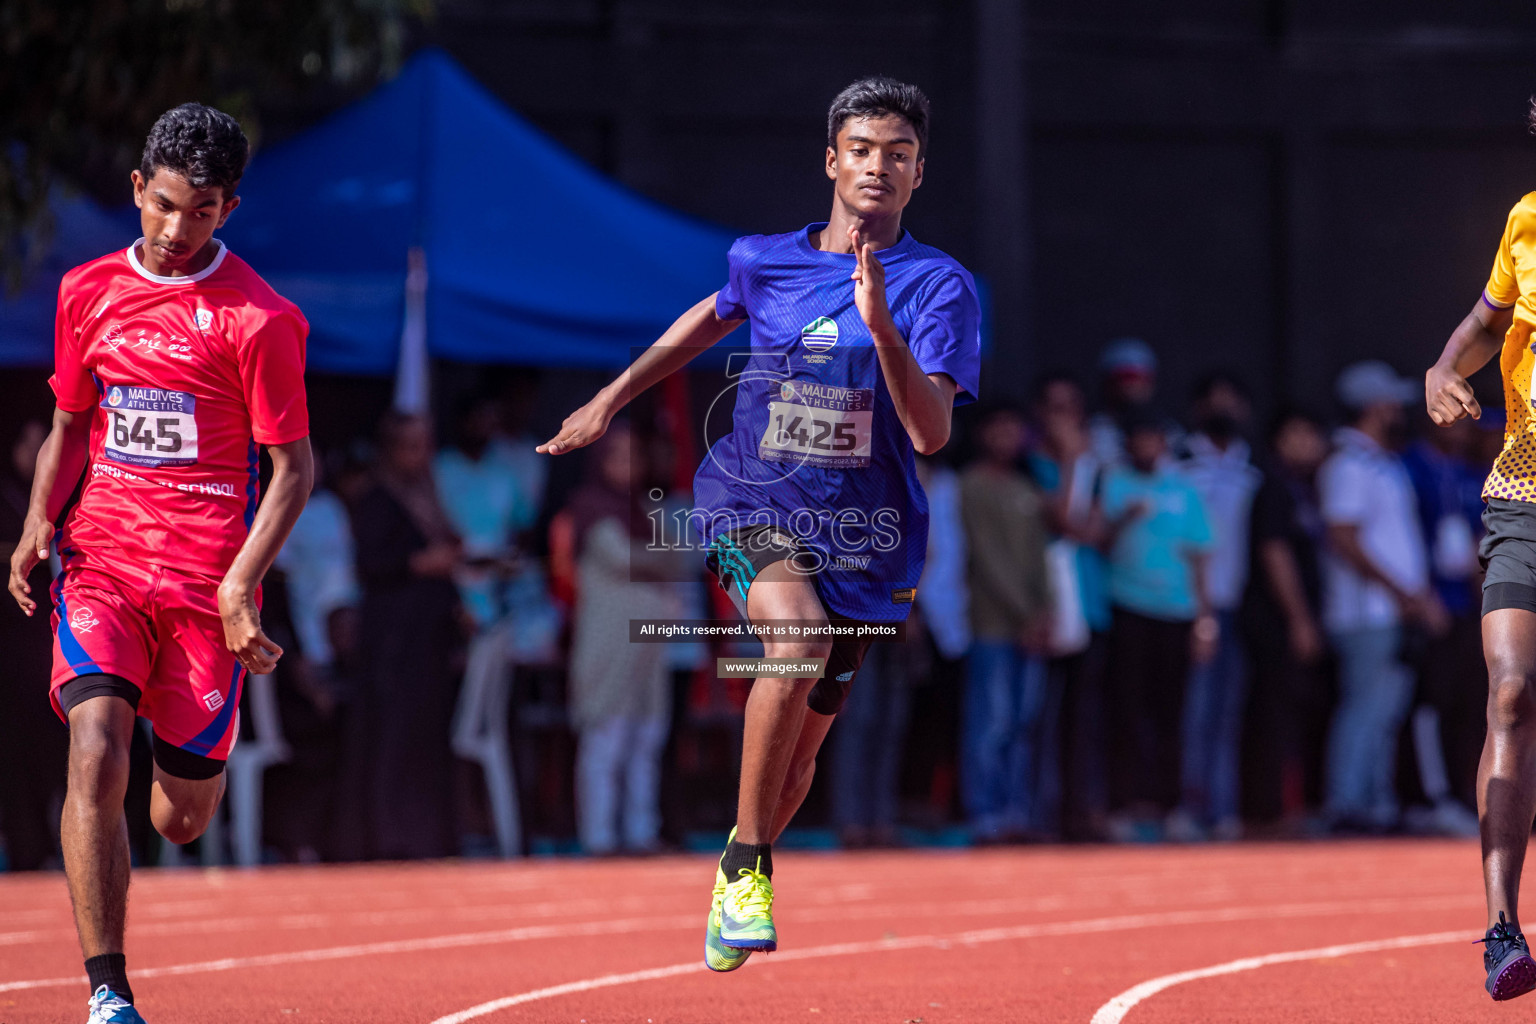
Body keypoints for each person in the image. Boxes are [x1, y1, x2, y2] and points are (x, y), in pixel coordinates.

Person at [537, 77, 980, 970]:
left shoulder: (942, 288)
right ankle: (744, 866)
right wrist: (612, 397)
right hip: (750, 501)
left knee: (796, 772)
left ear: (919, 173)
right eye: (861, 149)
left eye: (897, 154)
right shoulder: (765, 259)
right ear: (831, 160)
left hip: (868, 536)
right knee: (797, 641)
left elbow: (930, 435)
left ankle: (751, 847)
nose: (877, 167)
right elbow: (713, 313)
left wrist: (883, 330)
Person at [5, 104, 312, 1024]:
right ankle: (109, 992)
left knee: (182, 815)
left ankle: (174, 760)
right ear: (138, 189)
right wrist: (34, 524)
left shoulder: (260, 321)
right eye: (168, 205)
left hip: (203, 594)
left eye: (205, 211)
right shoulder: (85, 292)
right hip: (101, 565)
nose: (180, 231)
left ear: (231, 209)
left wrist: (237, 586)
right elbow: (68, 425)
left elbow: (295, 470)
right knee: (93, 750)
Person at [1424, 169, 1536, 1001]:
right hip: (1523, 496)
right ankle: (1502, 928)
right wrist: (1441, 368)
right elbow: (1484, 322)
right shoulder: (1527, 221)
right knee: (1511, 693)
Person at [1318, 361, 1444, 836]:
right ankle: (1347, 803)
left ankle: (1374, 803)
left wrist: (1415, 596)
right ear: (1371, 407)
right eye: (1390, 402)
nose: (1399, 410)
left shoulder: (1382, 462)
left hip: (1392, 609)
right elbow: (1343, 536)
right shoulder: (1348, 464)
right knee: (1364, 708)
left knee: (1386, 711)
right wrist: (1403, 593)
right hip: (1365, 612)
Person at [339, 412, 463, 861]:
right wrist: (421, 563)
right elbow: (373, 562)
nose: (420, 456)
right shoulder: (376, 498)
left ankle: (426, 838)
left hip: (429, 644)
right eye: (410, 446)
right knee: (390, 741)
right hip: (391, 643)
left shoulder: (429, 497)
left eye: (424, 445)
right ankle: (386, 838)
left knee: (425, 741)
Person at [565, 424, 683, 854]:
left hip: (647, 650)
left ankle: (639, 833)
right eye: (618, 455)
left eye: (635, 455)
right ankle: (599, 838)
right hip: (608, 647)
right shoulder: (591, 507)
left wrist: (660, 561)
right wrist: (659, 561)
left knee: (646, 737)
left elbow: (681, 559)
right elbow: (622, 557)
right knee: (606, 738)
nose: (628, 465)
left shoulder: (640, 510)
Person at [1100, 413, 1214, 840]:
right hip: (1128, 609)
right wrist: (1122, 518)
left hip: (1178, 615)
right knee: (1124, 714)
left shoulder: (1184, 490)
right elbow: (1098, 542)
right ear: (1130, 445)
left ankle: (1172, 809)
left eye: (1155, 439)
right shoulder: (1113, 483)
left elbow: (1201, 556)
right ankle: (1122, 809)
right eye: (1141, 440)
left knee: (1172, 716)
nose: (1149, 447)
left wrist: (1206, 620)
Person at [958, 403, 1052, 841]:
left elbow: (1040, 557)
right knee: (991, 723)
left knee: (1022, 725)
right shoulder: (971, 486)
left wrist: (1044, 611)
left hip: (1030, 629)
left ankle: (1018, 812)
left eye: (1014, 430)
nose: (1006, 439)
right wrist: (1025, 612)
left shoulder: (1025, 487)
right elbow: (986, 558)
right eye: (998, 430)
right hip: (991, 625)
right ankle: (986, 812)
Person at [1174, 374, 1261, 841]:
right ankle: (1191, 808)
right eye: (1215, 400)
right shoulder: (1181, 464)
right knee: (1196, 712)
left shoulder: (1253, 469)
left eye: (1233, 400)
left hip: (1239, 605)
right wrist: (1198, 609)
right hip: (1189, 607)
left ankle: (1223, 810)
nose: (1224, 408)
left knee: (1226, 715)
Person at [1238, 408, 1331, 830]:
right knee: (1271, 713)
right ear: (1280, 440)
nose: (1312, 443)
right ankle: (1266, 811)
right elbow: (1274, 553)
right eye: (1301, 434)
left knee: (1292, 713)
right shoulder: (1273, 489)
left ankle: (1282, 806)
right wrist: (1299, 620)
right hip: (1273, 622)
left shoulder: (1303, 489)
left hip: (1294, 619)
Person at [0, 420, 69, 871]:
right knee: (14, 752)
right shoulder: (4, 497)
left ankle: (49, 845)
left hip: (44, 642)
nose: (35, 452)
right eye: (27, 442)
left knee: (53, 748)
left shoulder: (52, 497)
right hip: (9, 646)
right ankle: (25, 848)